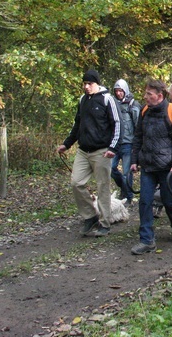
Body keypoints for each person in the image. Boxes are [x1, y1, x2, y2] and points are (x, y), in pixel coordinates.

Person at [57, 70, 121, 238]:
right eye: (84, 83)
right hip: (83, 151)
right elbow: (77, 125)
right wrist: (66, 143)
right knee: (76, 183)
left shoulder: (107, 99)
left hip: (102, 152)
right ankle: (90, 216)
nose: (86, 87)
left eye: (89, 84)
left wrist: (112, 148)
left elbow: (117, 124)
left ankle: (105, 223)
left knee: (102, 187)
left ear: (97, 83)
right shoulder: (83, 100)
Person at [130, 79, 172, 254]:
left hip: (167, 166)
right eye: (146, 93)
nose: (145, 96)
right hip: (148, 165)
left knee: (169, 200)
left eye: (149, 94)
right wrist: (134, 160)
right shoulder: (144, 111)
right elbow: (138, 137)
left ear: (159, 96)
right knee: (145, 201)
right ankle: (147, 240)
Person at [110, 79, 141, 206]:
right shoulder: (111, 104)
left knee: (127, 172)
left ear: (125, 91)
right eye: (116, 91)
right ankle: (123, 188)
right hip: (115, 143)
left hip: (129, 144)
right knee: (111, 168)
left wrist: (137, 145)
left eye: (120, 91)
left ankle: (128, 196)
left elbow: (138, 126)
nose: (118, 93)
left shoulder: (132, 105)